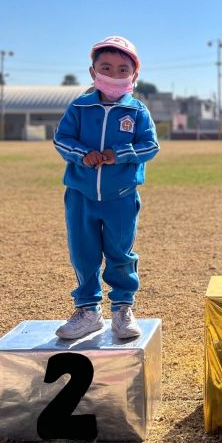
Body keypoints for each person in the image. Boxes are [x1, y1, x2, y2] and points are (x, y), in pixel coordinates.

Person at [53, 36, 159, 339]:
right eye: (106, 68)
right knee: (83, 253)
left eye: (123, 69)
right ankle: (88, 311)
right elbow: (62, 140)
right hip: (81, 195)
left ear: (134, 75)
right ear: (93, 72)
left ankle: (123, 308)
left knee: (120, 254)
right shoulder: (79, 107)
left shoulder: (137, 112)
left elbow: (150, 146)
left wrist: (117, 154)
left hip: (121, 197)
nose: (114, 75)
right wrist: (82, 155)